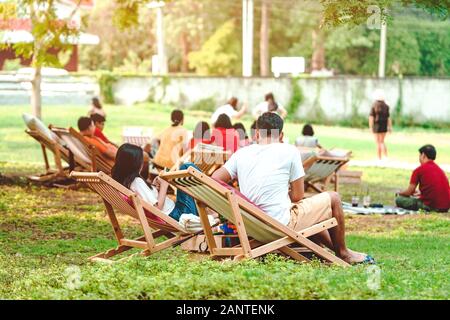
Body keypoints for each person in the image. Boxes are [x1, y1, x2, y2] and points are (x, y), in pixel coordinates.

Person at [212, 112, 374, 264]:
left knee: (303, 210)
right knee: (334, 198)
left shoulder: (241, 153)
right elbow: (298, 195)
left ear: (256, 134)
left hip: (250, 226)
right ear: (281, 136)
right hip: (280, 225)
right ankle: (344, 253)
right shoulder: (289, 151)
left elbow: (214, 179)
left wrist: (241, 197)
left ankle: (336, 250)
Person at [112, 143, 200, 221]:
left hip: (176, 212)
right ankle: (210, 199)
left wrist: (154, 187)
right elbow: (157, 209)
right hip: (179, 215)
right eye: (141, 161)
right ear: (134, 164)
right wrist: (164, 185)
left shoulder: (126, 182)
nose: (143, 163)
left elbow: (148, 201)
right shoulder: (137, 182)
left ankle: (207, 206)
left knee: (185, 170)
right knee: (187, 166)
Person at [396, 145, 450, 212]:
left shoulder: (418, 170)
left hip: (431, 207)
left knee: (399, 199)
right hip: (446, 207)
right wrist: (422, 193)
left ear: (423, 155)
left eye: (419, 155)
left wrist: (400, 193)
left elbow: (409, 192)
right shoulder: (440, 170)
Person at [369, 90, 392, 161]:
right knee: (382, 141)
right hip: (384, 126)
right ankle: (385, 156)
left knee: (378, 142)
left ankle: (379, 158)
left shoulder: (374, 105)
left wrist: (370, 127)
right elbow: (388, 118)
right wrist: (390, 127)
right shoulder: (386, 106)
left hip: (376, 126)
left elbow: (371, 117)